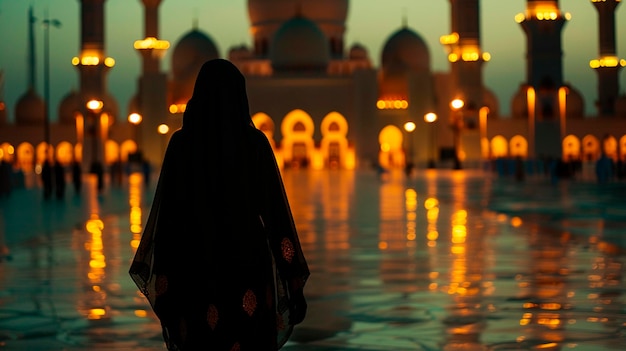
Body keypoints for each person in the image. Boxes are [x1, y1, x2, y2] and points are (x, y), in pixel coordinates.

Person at [129, 59, 310, 350]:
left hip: (193, 266)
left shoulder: (181, 146)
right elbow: (277, 219)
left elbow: (167, 221)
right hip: (246, 263)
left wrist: (165, 285)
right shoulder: (254, 145)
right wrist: (294, 283)